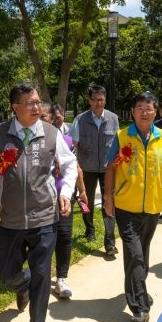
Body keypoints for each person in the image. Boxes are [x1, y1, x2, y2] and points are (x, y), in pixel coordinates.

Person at [0, 83, 77, 322]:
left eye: (39, 102)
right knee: (5, 270)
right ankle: (20, 286)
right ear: (15, 108)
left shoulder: (51, 133)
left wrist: (65, 193)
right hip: (10, 220)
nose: (38, 108)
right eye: (31, 103)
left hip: (43, 218)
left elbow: (70, 164)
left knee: (41, 275)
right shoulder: (0, 133)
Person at [103, 92, 162, 322]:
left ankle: (138, 288)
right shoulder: (122, 137)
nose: (144, 112)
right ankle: (140, 306)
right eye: (139, 107)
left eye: (149, 108)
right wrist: (108, 197)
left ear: (156, 111)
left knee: (142, 254)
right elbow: (110, 167)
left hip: (152, 207)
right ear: (132, 112)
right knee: (135, 254)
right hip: (125, 207)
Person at [44, 103, 88, 298]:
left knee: (64, 236)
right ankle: (41, 277)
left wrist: (81, 191)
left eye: (46, 118)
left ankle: (61, 279)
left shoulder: (66, 140)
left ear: (53, 120)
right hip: (41, 200)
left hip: (63, 197)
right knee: (44, 241)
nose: (41, 122)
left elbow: (74, 167)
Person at [69, 85, 119, 256]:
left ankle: (110, 241)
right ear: (89, 101)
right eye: (95, 100)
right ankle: (89, 227)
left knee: (109, 202)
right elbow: (73, 145)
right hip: (86, 169)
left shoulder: (113, 118)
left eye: (101, 99)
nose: (98, 103)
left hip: (108, 169)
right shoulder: (80, 120)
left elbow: (117, 145)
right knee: (85, 201)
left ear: (105, 100)